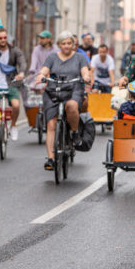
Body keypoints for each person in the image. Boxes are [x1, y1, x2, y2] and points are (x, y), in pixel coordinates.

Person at [35, 31, 91, 170]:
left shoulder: (79, 57)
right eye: (63, 43)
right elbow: (44, 70)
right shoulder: (52, 57)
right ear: (59, 44)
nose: (66, 46)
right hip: (53, 91)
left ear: (73, 44)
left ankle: (74, 132)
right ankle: (51, 159)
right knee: (51, 124)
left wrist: (86, 76)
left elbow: (85, 71)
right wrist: (40, 75)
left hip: (73, 90)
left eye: (69, 43)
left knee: (72, 106)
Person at [0, 27, 27, 141]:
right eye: (0, 38)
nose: (3, 40)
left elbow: (22, 62)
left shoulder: (15, 51)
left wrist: (21, 73)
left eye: (5, 37)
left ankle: (13, 126)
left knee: (16, 105)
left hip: (11, 83)